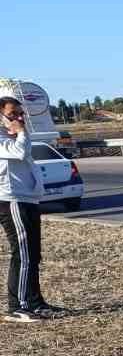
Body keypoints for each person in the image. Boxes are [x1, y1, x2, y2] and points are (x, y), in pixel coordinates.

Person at [0, 94, 53, 321]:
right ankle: (17, 305)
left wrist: (20, 132)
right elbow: (19, 152)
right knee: (22, 254)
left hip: (28, 199)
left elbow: (26, 155)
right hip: (11, 200)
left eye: (21, 114)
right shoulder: (5, 138)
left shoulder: (17, 135)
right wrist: (20, 132)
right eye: (13, 114)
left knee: (33, 255)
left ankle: (34, 302)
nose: (20, 118)